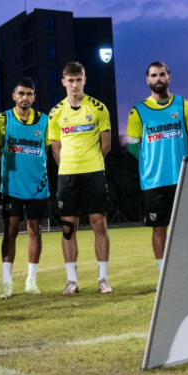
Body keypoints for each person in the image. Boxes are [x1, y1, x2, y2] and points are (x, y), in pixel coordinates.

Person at [126, 61, 188, 271]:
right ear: (147, 80)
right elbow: (132, 146)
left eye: (162, 74)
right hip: (153, 181)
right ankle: (163, 274)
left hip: (181, 178)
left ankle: (187, 269)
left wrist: (177, 156)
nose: (158, 79)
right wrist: (150, 161)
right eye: (154, 75)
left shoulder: (184, 106)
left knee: (186, 227)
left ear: (169, 77)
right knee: (158, 228)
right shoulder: (138, 111)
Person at [48, 61, 112, 296]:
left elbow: (106, 146)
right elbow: (55, 147)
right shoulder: (55, 112)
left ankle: (103, 278)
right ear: (63, 82)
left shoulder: (99, 108)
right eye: (70, 80)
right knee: (68, 227)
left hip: (93, 172)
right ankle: (71, 281)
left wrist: (90, 162)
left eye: (78, 80)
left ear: (84, 80)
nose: (74, 84)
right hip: (67, 175)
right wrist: (68, 166)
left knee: (98, 223)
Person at [0, 78, 49, 298]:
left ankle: (31, 280)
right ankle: (6, 282)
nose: (24, 98)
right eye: (21, 93)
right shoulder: (3, 119)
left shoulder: (45, 120)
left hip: (38, 186)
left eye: (29, 94)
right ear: (13, 96)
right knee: (10, 231)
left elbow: (47, 149)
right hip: (12, 187)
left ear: (34, 97)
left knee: (35, 230)